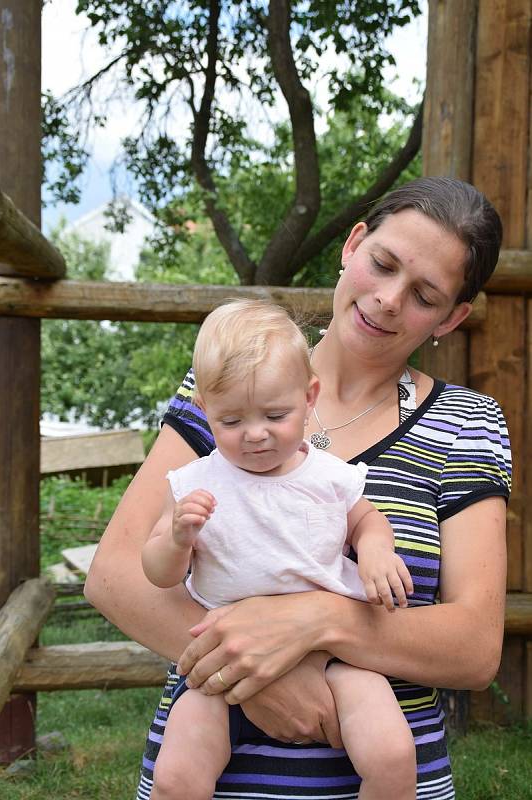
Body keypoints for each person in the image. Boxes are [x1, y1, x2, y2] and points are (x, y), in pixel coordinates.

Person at [84, 176, 511, 800]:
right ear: (353, 244)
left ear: (453, 317)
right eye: (383, 264)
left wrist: (317, 622)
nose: (389, 299)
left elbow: (474, 648)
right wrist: (255, 678)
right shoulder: (227, 386)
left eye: (424, 295)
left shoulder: (469, 424)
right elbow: (115, 574)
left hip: (388, 764)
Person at [141, 299, 417, 800]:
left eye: (275, 414)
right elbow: (157, 572)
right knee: (176, 778)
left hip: (334, 657)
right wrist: (178, 537)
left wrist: (376, 552)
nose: (256, 434)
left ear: (308, 396)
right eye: (231, 421)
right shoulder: (193, 483)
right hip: (223, 667)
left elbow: (367, 521)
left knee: (394, 755)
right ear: (203, 409)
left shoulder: (330, 477)